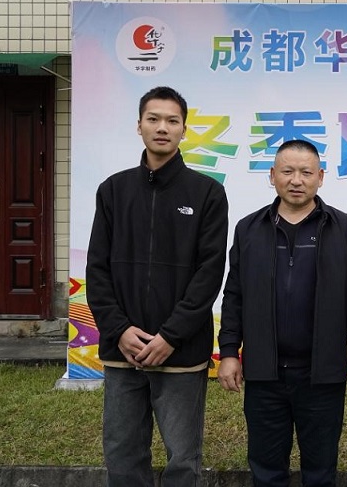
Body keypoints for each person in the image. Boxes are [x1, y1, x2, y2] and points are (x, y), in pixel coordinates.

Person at [86, 85, 229, 487]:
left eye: (171, 120)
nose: (162, 128)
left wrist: (170, 336)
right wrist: (119, 330)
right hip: (123, 350)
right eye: (153, 119)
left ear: (185, 129)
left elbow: (209, 274)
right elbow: (97, 269)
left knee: (183, 458)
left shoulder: (207, 193)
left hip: (181, 352)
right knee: (123, 453)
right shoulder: (113, 190)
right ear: (139, 126)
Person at [217, 139, 347, 487]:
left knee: (320, 470)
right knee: (266, 469)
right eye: (287, 171)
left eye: (306, 172)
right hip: (264, 372)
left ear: (321, 177)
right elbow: (235, 294)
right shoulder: (249, 228)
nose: (296, 180)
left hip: (321, 373)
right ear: (272, 175)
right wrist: (228, 352)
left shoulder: (344, 229)